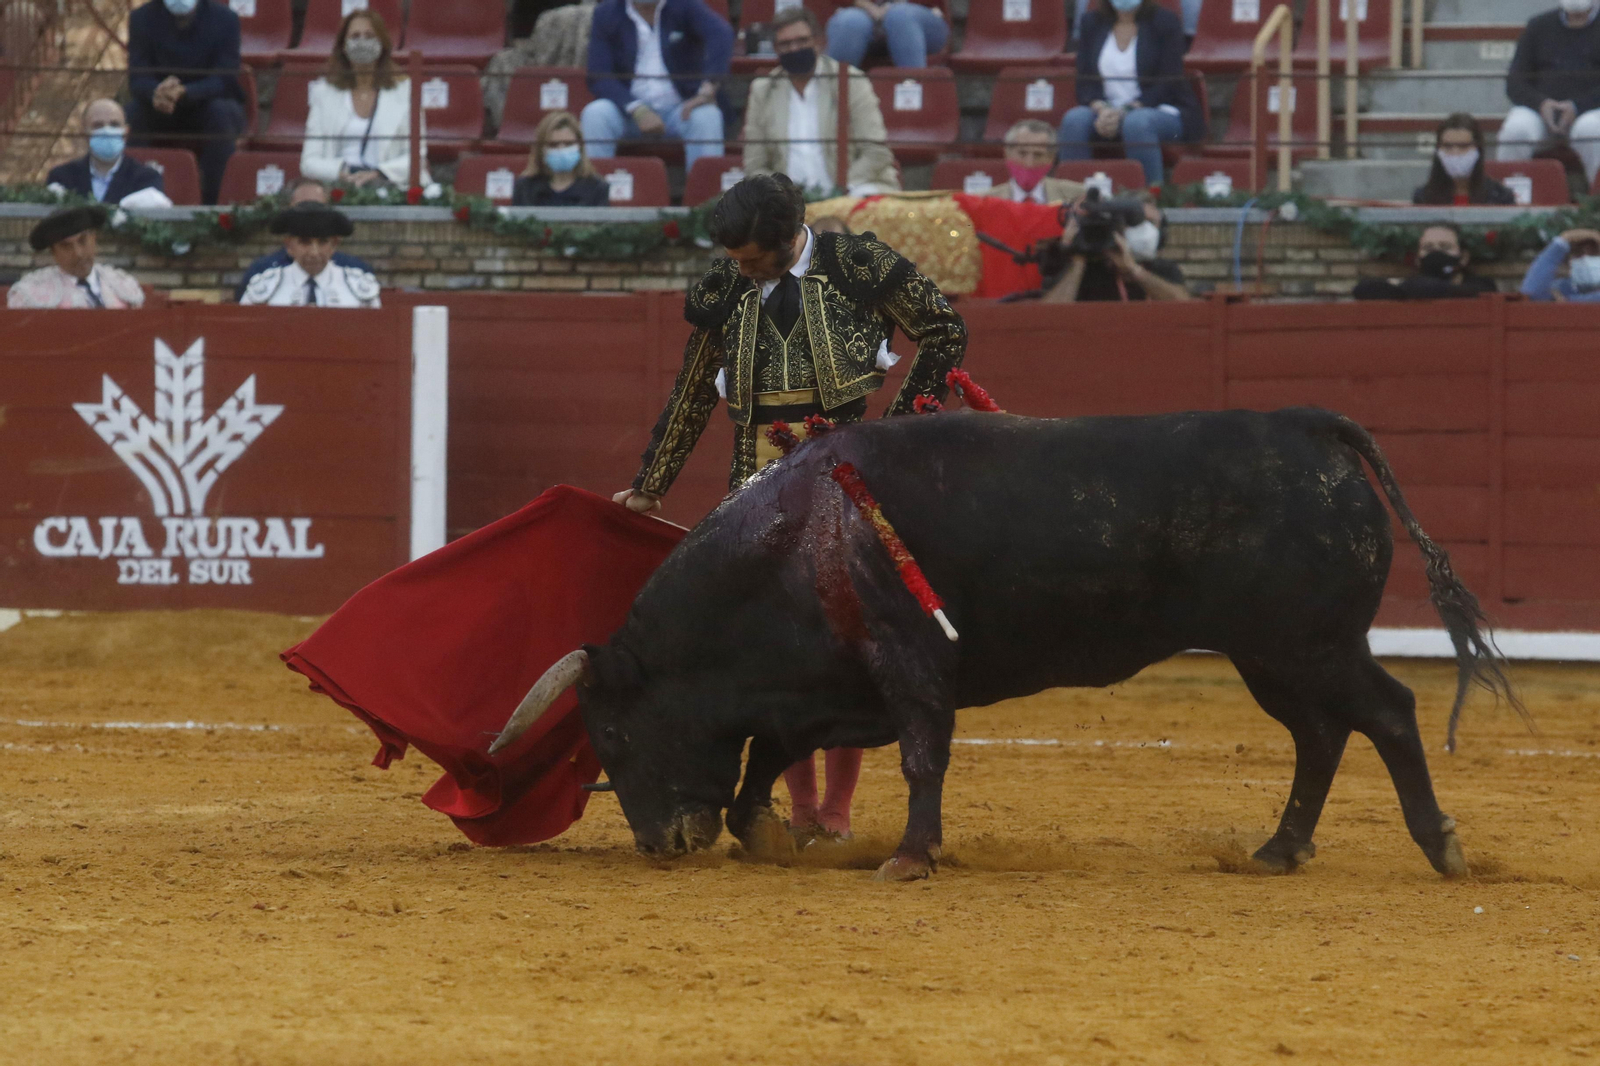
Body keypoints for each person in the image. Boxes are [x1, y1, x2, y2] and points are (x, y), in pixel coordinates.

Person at [611, 173, 968, 841]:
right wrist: (651, 482)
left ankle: (834, 811)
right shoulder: (723, 291)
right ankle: (791, 807)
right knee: (772, 647)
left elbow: (943, 330)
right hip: (757, 478)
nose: (738, 272)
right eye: (733, 261)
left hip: (846, 469)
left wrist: (896, 436)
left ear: (786, 240)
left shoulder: (858, 265)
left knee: (849, 638)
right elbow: (692, 392)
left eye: (750, 261)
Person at [741, 9, 899, 197]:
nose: (794, 49)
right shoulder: (763, 90)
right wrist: (785, 194)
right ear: (775, 49)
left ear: (818, 42)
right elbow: (755, 164)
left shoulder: (850, 82)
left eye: (802, 41)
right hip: (788, 200)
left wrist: (835, 190)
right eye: (785, 44)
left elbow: (876, 152)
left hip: (851, 188)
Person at [1057, 0, 1204, 186]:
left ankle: (1150, 199)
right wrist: (1102, 109)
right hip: (1106, 110)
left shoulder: (1165, 22)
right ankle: (1073, 198)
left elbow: (1168, 82)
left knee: (1137, 123)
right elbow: (1085, 82)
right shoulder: (1091, 22)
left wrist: (1125, 111)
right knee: (1074, 120)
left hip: (1159, 108)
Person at [581, 0, 732, 173]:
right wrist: (636, 109)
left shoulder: (685, 5)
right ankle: (594, 193)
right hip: (628, 112)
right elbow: (599, 76)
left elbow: (721, 33)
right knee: (595, 114)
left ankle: (706, 198)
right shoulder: (606, 13)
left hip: (681, 110)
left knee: (708, 116)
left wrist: (708, 89)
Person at [126, 0, 247, 206]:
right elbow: (137, 77)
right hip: (160, 106)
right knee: (131, 113)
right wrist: (156, 92)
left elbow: (225, 78)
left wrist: (186, 93)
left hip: (207, 103)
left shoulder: (226, 19)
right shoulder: (140, 18)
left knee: (221, 115)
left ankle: (215, 206)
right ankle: (131, 198)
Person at [300, 10, 427, 189]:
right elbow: (309, 161)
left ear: (382, 44)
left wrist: (379, 173)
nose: (362, 41)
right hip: (340, 187)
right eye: (355, 36)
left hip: (389, 187)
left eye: (369, 36)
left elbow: (417, 157)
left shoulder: (406, 91)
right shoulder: (324, 93)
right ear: (343, 46)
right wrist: (341, 173)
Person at [1497, 0, 1600, 188]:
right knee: (1516, 130)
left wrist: (1578, 106)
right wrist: (1541, 104)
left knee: (1592, 132)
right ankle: (1508, 200)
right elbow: (1515, 82)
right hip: (1542, 112)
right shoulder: (1538, 25)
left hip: (1592, 111)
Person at [233, 177, 376, 300]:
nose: (311, 217)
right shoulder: (262, 272)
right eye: (303, 208)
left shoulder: (357, 273)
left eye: (318, 208)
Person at [1041, 193, 1190, 302]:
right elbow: (1048, 317)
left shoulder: (1163, 269)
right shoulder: (1076, 266)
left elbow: (1186, 307)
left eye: (1151, 223)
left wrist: (1134, 270)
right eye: (1138, 223)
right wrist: (1078, 260)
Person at [7, 206, 145, 309]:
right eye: (66, 246)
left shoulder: (123, 285)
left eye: (83, 241)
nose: (78, 253)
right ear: (54, 253)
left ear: (94, 238)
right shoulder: (29, 294)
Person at [46, 98, 167, 205]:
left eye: (114, 125)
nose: (107, 131)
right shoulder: (62, 178)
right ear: (84, 133)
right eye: (98, 126)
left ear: (126, 133)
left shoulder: (147, 179)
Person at [1353, 224, 1498, 301]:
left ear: (1464, 257)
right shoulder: (1411, 286)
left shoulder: (1482, 286)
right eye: (1428, 248)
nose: (1435, 253)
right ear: (1417, 259)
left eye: (1445, 247)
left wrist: (1402, 287)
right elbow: (1362, 290)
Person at [1415, 113, 1517, 206]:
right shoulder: (1423, 197)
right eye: (1447, 146)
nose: (1455, 153)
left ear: (1477, 149)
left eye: (1463, 146)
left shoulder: (1501, 197)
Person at [512, 110, 611, 206]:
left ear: (580, 147)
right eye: (553, 145)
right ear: (541, 150)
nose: (561, 150)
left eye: (568, 144)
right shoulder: (524, 188)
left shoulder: (597, 189)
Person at [985, 119, 1086, 204]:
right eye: (1022, 153)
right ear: (1007, 153)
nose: (1029, 163)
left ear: (1051, 158)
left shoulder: (1078, 197)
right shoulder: (984, 201)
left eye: (1038, 155)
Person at [826, 1, 949, 70]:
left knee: (899, 16)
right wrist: (867, 6)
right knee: (851, 22)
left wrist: (893, 6)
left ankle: (913, 100)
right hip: (860, 15)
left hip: (919, 17)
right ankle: (833, 102)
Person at [1520, 226, 1600, 302]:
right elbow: (1532, 294)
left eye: (1594, 254)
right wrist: (1561, 242)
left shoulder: (1559, 292)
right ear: (1570, 261)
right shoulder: (1563, 286)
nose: (1585, 259)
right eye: (1578, 253)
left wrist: (1565, 300)